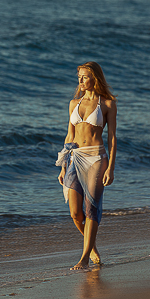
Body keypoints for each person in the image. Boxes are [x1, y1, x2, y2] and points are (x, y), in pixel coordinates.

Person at [57, 62, 117, 270]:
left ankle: (83, 259)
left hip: (96, 159)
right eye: (79, 77)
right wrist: (64, 164)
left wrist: (111, 167)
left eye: (84, 77)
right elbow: (69, 136)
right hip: (75, 157)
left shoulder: (107, 104)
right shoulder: (74, 103)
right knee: (75, 213)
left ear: (95, 78)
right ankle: (90, 245)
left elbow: (112, 138)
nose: (80, 81)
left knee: (91, 209)